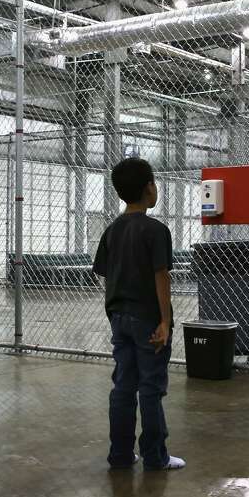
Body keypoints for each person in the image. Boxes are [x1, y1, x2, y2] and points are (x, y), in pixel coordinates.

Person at [93, 158, 184, 471]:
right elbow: (161, 276)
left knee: (123, 385)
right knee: (151, 387)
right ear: (149, 188)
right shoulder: (156, 230)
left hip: (119, 316)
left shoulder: (112, 230)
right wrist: (165, 321)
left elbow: (106, 273)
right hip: (148, 319)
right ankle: (155, 456)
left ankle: (120, 454)